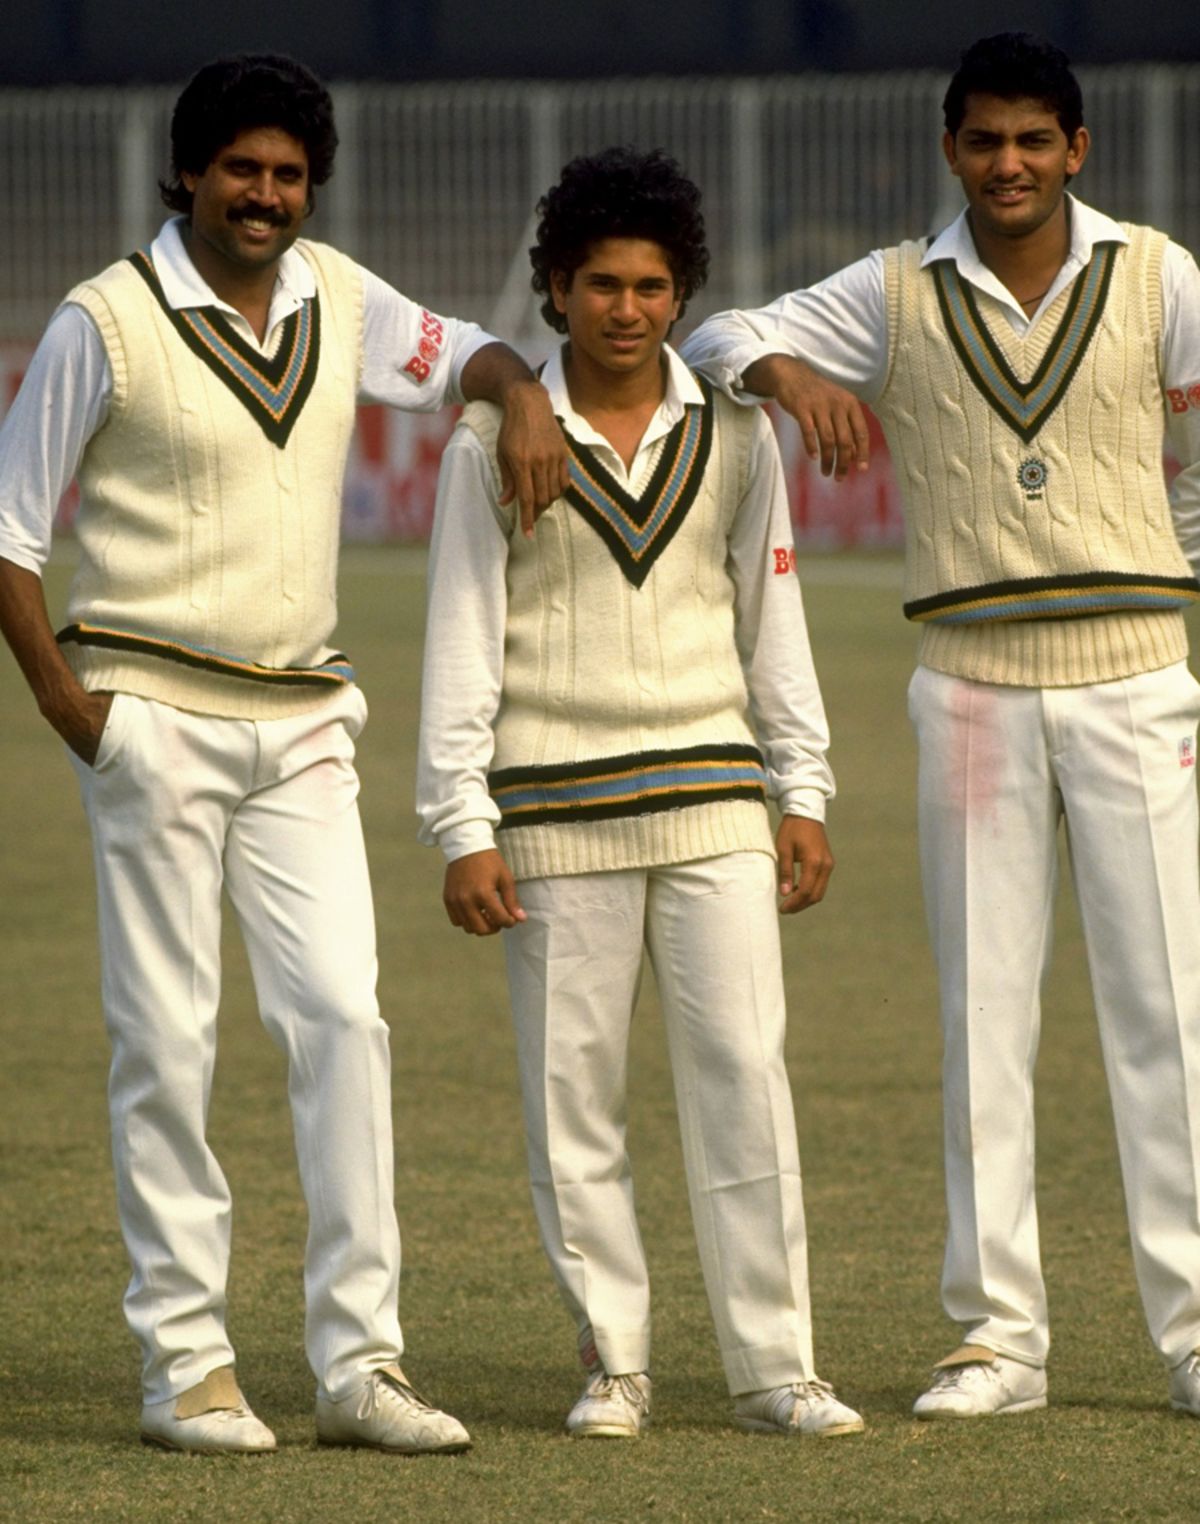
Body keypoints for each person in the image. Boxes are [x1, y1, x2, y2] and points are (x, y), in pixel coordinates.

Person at [0, 53, 567, 1456]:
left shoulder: (344, 296)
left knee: (342, 1022)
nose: (266, 196)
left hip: (308, 720)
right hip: (152, 717)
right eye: (242, 170)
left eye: (289, 175)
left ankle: (359, 1364)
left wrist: (527, 395)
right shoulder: (108, 321)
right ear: (187, 173)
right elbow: (10, 535)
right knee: (167, 1041)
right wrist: (83, 718)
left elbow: (473, 357)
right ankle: (185, 1365)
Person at [682, 30, 1200, 1420]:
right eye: (985, 141)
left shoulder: (1160, 275)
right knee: (985, 1014)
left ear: (1078, 149)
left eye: (1037, 140)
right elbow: (722, 332)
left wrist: (1174, 618)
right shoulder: (896, 290)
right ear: (951, 148)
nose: (1011, 164)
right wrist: (790, 379)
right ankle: (998, 1339)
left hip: (1137, 676)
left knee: (1167, 1017)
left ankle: (1194, 1328)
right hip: (969, 685)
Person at [417, 145, 863, 1440]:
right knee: (576, 1103)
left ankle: (780, 1367)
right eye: (601, 283)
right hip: (551, 817)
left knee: (743, 1076)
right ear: (554, 289)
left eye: (653, 285)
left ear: (683, 293)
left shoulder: (735, 430)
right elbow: (460, 635)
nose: (627, 309)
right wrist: (463, 822)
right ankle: (616, 1363)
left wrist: (805, 790)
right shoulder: (490, 441)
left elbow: (772, 616)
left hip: (716, 795)